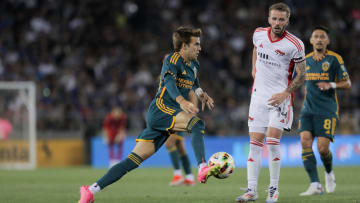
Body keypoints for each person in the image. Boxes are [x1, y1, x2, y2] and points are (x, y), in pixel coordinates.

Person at [79, 26, 218, 203]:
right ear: (184, 46)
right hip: (160, 110)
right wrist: (182, 101)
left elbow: (195, 83)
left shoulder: (195, 64)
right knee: (197, 125)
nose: (200, 48)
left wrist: (201, 95)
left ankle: (90, 191)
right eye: (196, 44)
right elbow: (168, 82)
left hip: (169, 115)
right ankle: (202, 167)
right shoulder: (172, 59)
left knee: (132, 161)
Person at [235, 3, 306, 203]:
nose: (277, 22)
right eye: (274, 18)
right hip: (258, 98)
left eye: (281, 19)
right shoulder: (258, 34)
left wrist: (285, 93)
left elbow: (302, 75)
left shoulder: (295, 44)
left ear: (287, 21)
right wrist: (253, 69)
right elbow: (256, 50)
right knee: (255, 145)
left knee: (272, 142)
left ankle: (273, 189)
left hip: (280, 100)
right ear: (268, 19)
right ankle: (251, 190)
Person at [298, 26, 351, 196]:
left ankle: (329, 173)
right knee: (305, 141)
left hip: (327, 110)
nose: (319, 39)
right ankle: (315, 184)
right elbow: (298, 81)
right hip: (308, 109)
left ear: (327, 41)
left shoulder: (335, 59)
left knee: (322, 149)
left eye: (323, 37)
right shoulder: (305, 60)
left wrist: (332, 84)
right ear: (311, 40)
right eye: (316, 36)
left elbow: (347, 83)